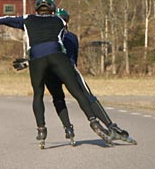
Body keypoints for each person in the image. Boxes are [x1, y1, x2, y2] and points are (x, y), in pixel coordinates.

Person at [0, 0, 113, 148]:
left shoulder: (28, 19)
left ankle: (41, 129)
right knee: (77, 92)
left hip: (36, 59)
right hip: (57, 56)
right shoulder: (60, 21)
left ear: (37, 9)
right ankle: (94, 122)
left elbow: (7, 19)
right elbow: (65, 41)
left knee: (38, 95)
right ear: (52, 11)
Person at [47, 8, 136, 144]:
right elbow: (73, 59)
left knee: (58, 98)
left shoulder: (47, 38)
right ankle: (111, 126)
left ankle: (68, 129)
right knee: (88, 97)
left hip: (51, 70)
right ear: (67, 21)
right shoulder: (71, 37)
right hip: (70, 69)